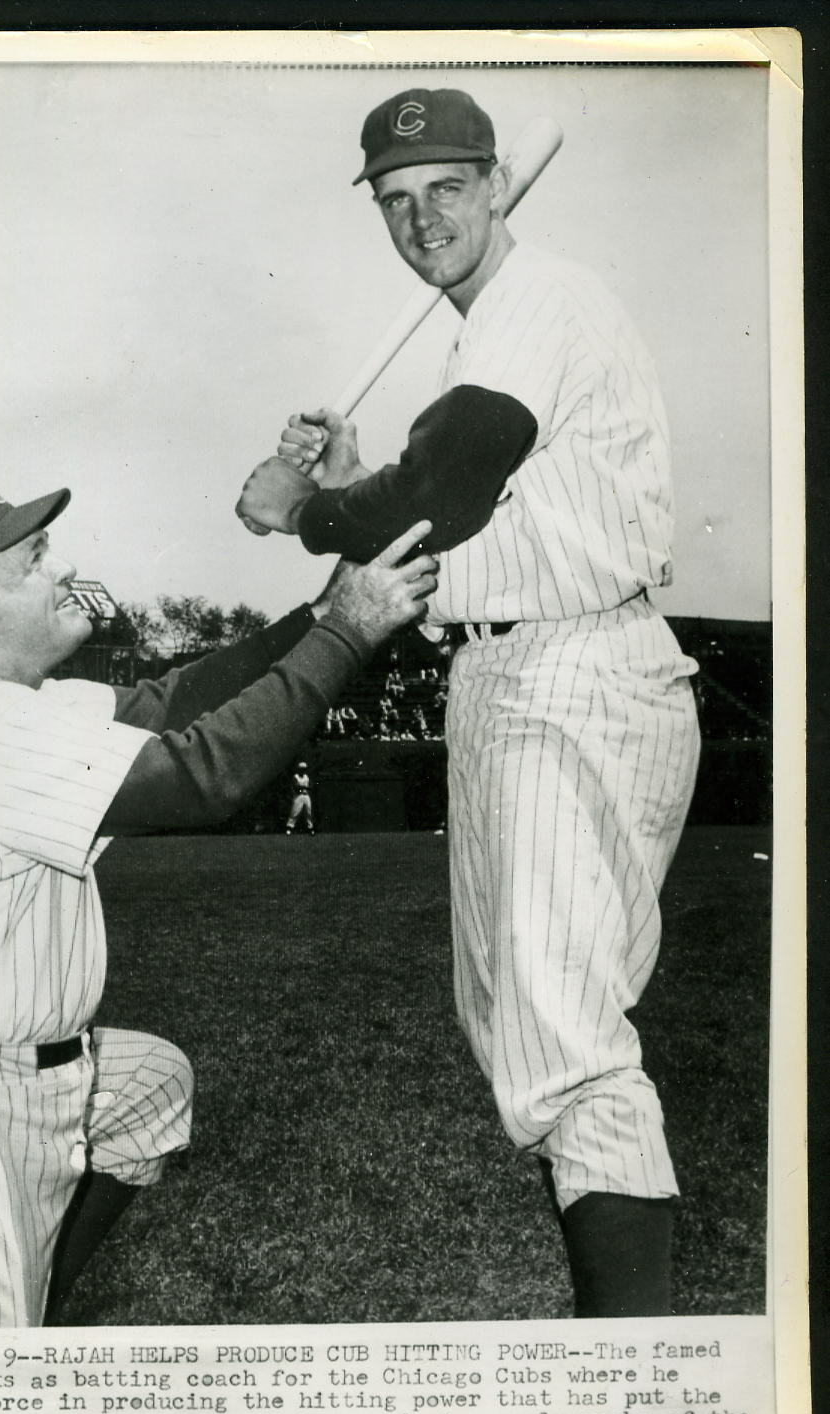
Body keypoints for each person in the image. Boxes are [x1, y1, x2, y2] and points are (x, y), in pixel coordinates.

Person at [236, 87, 701, 1316]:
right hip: (507, 670)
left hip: (576, 668)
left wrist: (307, 511)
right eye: (396, 201)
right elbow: (434, 519)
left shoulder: (539, 299)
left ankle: (623, 1369)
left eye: (446, 188)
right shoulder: (488, 323)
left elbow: (447, 481)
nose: (420, 217)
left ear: (498, 184)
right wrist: (346, 489)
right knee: (509, 1019)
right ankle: (612, 1309)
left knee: (563, 1041)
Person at [0, 473, 438, 1329]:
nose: (61, 569)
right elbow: (205, 775)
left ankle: (29, 1308)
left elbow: (165, 704)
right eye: (32, 559)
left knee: (148, 1086)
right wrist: (347, 636)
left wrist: (315, 617)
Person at [285, 761, 315, 834]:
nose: (303, 770)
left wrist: (302, 787)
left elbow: (311, 786)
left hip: (306, 795)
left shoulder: (306, 777)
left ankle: (310, 828)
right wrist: (304, 787)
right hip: (298, 796)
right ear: (299, 769)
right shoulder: (296, 776)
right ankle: (289, 828)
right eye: (302, 769)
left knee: (308, 812)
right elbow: (296, 787)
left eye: (304, 769)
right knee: (295, 812)